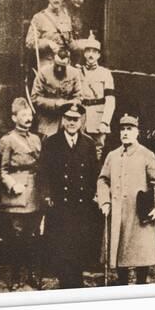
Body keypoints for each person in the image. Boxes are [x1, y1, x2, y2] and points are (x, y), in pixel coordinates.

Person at [97, 113, 155, 285]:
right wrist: (104, 201)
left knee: (140, 259)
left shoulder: (146, 154)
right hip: (118, 216)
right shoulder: (112, 155)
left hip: (138, 215)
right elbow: (103, 179)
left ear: (137, 132)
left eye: (129, 129)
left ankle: (141, 286)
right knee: (120, 257)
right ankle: (122, 287)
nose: (125, 133)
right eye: (122, 129)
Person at [38, 102, 100, 289]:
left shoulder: (88, 144)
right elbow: (43, 172)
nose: (72, 122)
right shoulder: (51, 142)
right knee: (61, 244)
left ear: (81, 121)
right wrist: (46, 194)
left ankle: (77, 281)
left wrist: (96, 194)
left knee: (80, 243)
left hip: (82, 204)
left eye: (75, 119)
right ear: (63, 120)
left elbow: (94, 173)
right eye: (68, 119)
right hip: (60, 204)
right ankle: (66, 282)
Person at [0, 98, 42, 290]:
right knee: (16, 237)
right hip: (17, 194)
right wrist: (12, 185)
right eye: (23, 115)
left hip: (35, 192)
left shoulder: (36, 139)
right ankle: (16, 277)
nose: (28, 118)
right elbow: (2, 170)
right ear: (14, 117)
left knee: (32, 236)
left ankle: (32, 275)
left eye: (29, 115)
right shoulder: (7, 140)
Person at [25, 0, 78, 69]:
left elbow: (70, 42)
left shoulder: (66, 18)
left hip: (65, 62)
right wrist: (48, 43)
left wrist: (85, 45)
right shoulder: (39, 17)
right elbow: (29, 43)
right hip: (47, 64)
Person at [79, 32, 115, 161]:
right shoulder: (77, 72)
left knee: (97, 153)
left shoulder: (105, 73)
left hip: (98, 118)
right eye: (88, 51)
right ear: (84, 54)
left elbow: (110, 100)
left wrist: (105, 121)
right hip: (81, 117)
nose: (90, 54)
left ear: (99, 55)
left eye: (94, 52)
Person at [31, 52, 82, 137]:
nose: (59, 69)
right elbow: (35, 97)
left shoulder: (74, 73)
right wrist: (54, 103)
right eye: (57, 65)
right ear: (53, 61)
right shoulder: (44, 72)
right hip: (47, 119)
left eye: (62, 67)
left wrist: (67, 105)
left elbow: (79, 97)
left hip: (68, 119)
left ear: (68, 63)